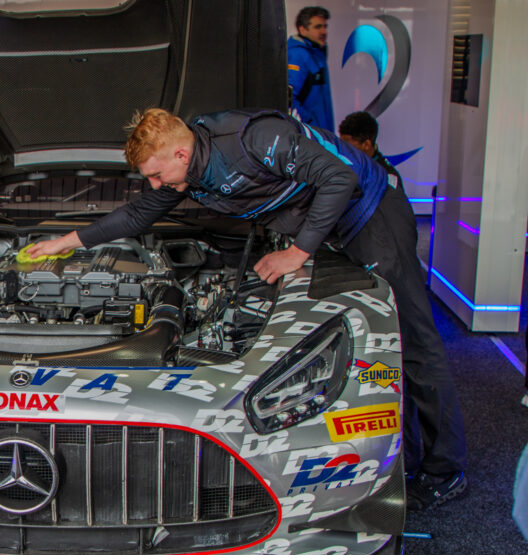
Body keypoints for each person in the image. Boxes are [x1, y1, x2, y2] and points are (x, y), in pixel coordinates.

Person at [26, 108, 468, 511]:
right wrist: (67, 243)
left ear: (181, 152)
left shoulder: (255, 138)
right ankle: (406, 454)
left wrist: (296, 254)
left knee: (414, 345)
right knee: (390, 344)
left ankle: (445, 470)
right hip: (329, 226)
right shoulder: (187, 169)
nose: (156, 185)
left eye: (158, 174)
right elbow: (139, 214)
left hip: (372, 217)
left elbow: (339, 178)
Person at [288, 6, 334, 131]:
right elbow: (289, 98)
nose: (324, 31)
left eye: (325, 26)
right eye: (318, 27)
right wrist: (309, 126)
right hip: (312, 137)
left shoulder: (316, 53)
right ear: (302, 29)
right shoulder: (298, 55)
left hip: (321, 135)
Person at [339, 111, 404, 193]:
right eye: (341, 144)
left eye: (348, 146)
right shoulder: (341, 168)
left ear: (366, 144)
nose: (342, 150)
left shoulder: (387, 178)